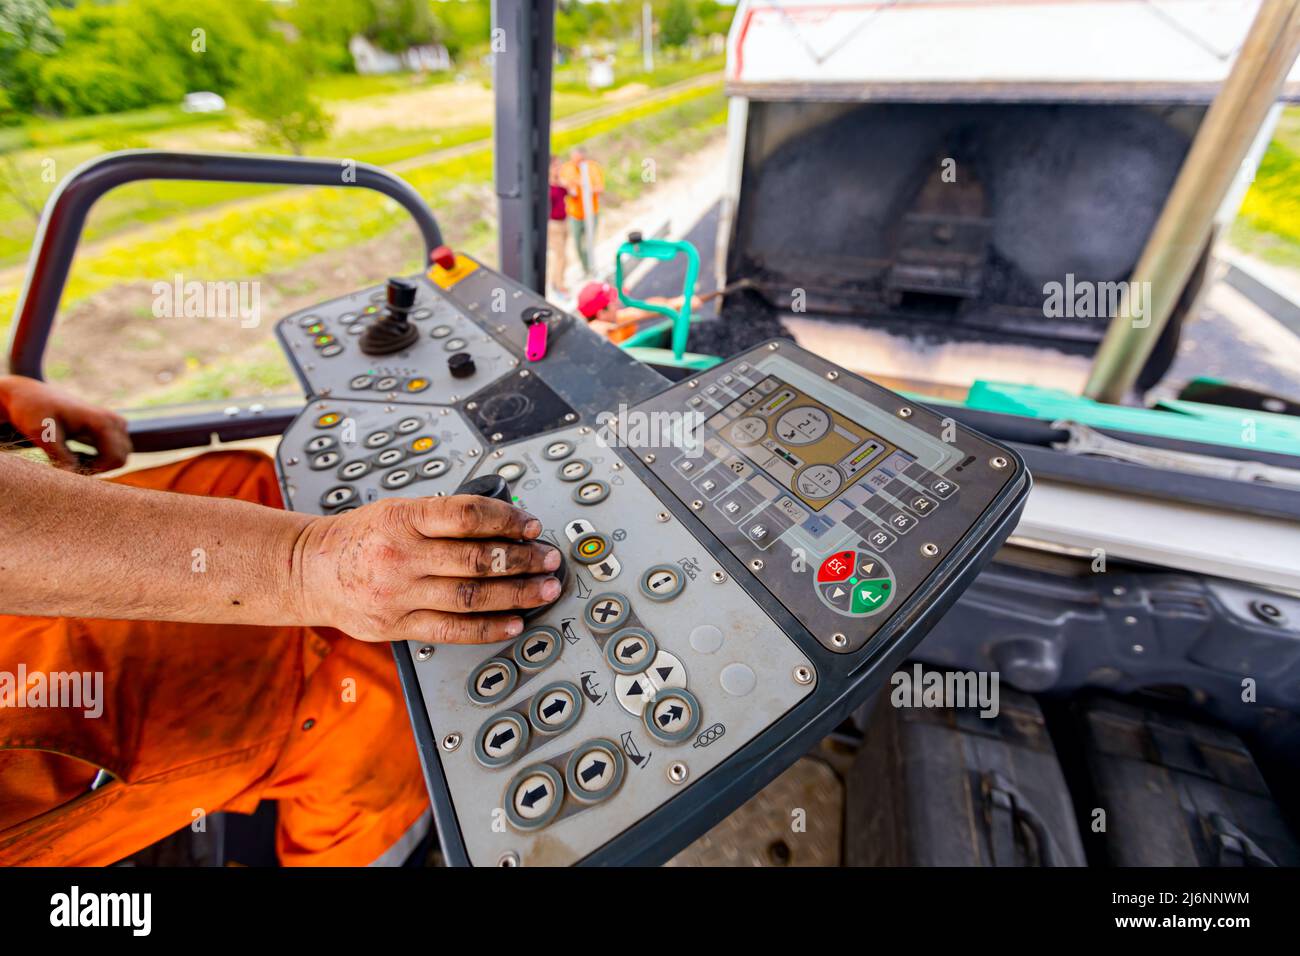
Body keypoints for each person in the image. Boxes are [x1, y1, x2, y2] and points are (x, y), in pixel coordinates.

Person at [0, 374, 563, 866]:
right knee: (383, 740)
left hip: (141, 548)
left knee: (253, 487)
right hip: (57, 717)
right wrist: (305, 565)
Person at [576, 280, 701, 344]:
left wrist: (679, 302)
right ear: (601, 314)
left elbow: (643, 310)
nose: (618, 303)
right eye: (613, 302)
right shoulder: (589, 337)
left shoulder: (618, 319)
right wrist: (593, 336)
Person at [560, 147, 605, 278]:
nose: (577, 164)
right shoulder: (567, 168)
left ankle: (591, 267)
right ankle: (585, 268)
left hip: (591, 212)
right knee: (578, 244)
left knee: (588, 241)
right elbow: (562, 184)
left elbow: (600, 188)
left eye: (580, 161)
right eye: (574, 160)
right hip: (575, 213)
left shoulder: (593, 168)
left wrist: (585, 186)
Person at [547, 157, 569, 296]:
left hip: (564, 221)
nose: (558, 168)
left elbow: (570, 192)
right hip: (553, 224)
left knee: (563, 256)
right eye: (555, 166)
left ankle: (558, 282)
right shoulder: (547, 187)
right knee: (560, 256)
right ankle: (557, 285)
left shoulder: (559, 183)